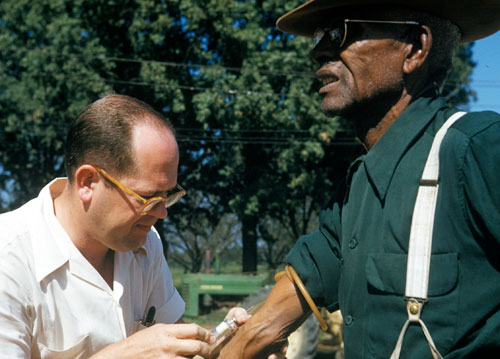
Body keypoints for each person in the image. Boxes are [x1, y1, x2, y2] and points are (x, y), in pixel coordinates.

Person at [216, 1, 500, 358]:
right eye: (320, 36)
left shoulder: (478, 147)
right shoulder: (357, 190)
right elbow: (275, 314)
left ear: (414, 48)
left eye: (340, 32)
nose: (318, 50)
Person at [0, 94, 251, 359]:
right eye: (148, 197)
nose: (162, 212)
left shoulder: (145, 243)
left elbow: (175, 350)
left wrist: (230, 343)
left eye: (168, 195)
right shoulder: (10, 257)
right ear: (87, 182)